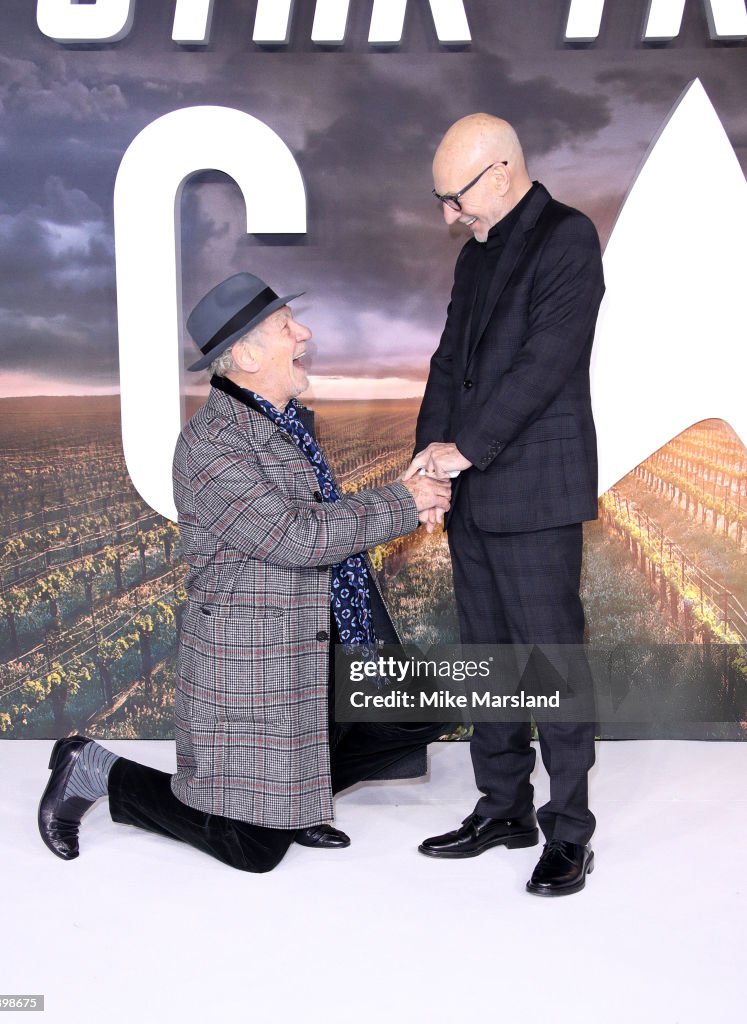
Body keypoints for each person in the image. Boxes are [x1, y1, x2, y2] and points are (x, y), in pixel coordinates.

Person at [38, 272, 451, 873]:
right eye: (288, 327)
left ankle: (295, 797)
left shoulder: (279, 424)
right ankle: (95, 769)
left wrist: (406, 499)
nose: (304, 332)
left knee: (423, 709)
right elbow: (296, 536)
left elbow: (316, 522)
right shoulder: (213, 445)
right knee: (252, 851)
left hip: (317, 635)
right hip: (256, 661)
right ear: (248, 354)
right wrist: (404, 501)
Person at [406, 114, 605, 896]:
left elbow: (545, 363)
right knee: (486, 658)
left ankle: (569, 831)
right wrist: (427, 457)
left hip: (536, 489)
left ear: (498, 173)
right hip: (475, 493)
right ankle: (502, 808)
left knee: (552, 666)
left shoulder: (567, 237)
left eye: (453, 199)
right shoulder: (473, 256)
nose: (447, 216)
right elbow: (448, 361)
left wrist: (465, 449)